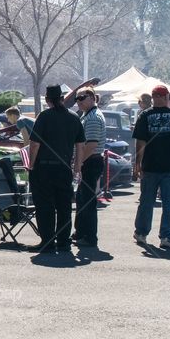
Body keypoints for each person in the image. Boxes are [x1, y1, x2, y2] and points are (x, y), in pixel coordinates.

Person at [26, 85, 85, 253]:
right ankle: (64, 242)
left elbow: (34, 144)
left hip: (43, 168)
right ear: (62, 98)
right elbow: (80, 145)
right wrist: (77, 167)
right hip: (64, 168)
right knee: (64, 206)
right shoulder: (74, 118)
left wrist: (31, 165)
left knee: (45, 206)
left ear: (47, 100)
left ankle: (47, 240)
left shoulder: (44, 116)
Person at [132, 84, 170, 249]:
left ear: (154, 97)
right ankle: (166, 237)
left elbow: (140, 140)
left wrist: (138, 162)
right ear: (166, 97)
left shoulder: (145, 115)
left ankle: (141, 233)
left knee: (146, 201)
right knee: (169, 203)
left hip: (150, 165)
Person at [72, 87, 105, 247]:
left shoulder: (92, 118)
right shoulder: (87, 115)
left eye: (82, 97)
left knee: (87, 201)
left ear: (92, 98)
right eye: (76, 99)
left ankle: (90, 237)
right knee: (81, 198)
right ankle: (80, 232)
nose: (78, 101)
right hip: (89, 161)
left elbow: (91, 144)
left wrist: (78, 163)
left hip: (91, 161)